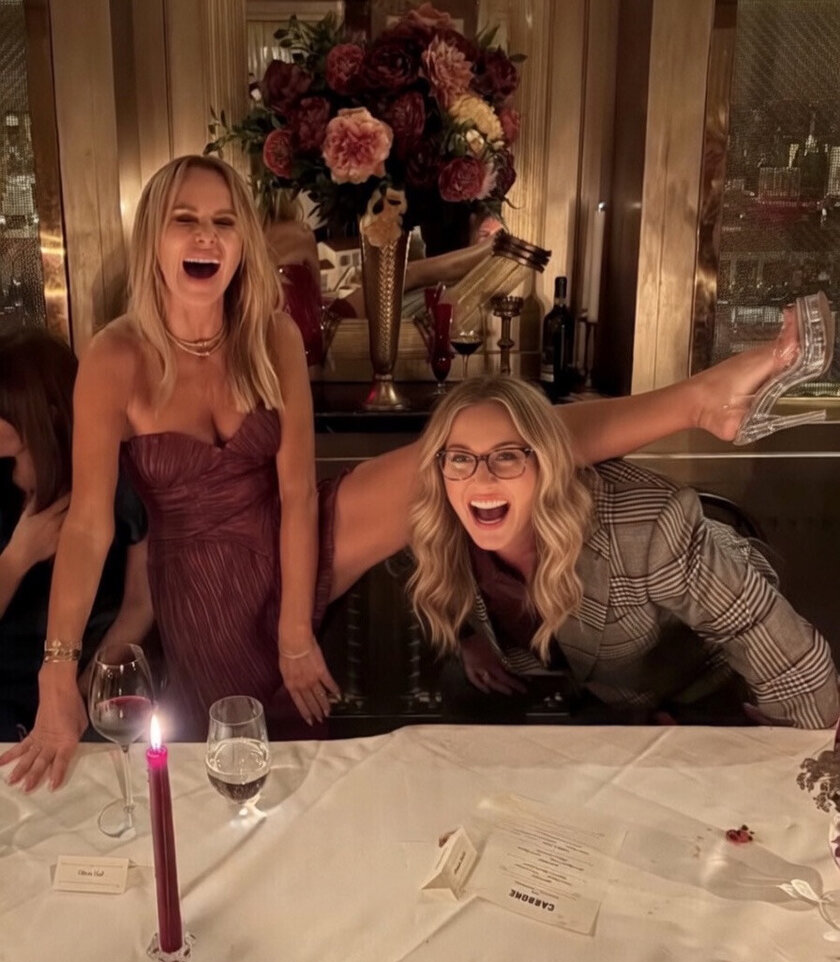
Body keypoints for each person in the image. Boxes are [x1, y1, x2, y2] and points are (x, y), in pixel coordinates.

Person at [0, 150, 810, 791]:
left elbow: (294, 493)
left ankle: (699, 401)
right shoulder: (115, 356)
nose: (206, 237)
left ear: (243, 242)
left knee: (479, 441)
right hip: (201, 585)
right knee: (246, 762)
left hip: (293, 536)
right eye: (185, 220)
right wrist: (57, 674)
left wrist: (295, 632)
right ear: (154, 238)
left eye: (223, 221)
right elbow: (90, 525)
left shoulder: (270, 333)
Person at [403, 375, 839, 729]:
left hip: (704, 689)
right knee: (461, 687)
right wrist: (469, 638)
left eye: (507, 456)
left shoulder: (646, 526)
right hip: (597, 691)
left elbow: (776, 648)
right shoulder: (437, 520)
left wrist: (791, 757)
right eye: (460, 458)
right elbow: (420, 567)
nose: (480, 480)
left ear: (546, 463)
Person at [0, 329, 152, 740]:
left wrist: (81, 691)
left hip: (93, 677)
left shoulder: (117, 480)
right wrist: (16, 558)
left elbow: (140, 605)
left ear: (46, 413)